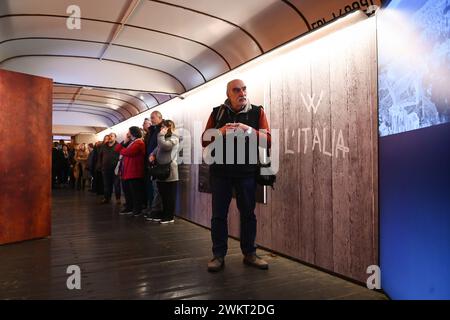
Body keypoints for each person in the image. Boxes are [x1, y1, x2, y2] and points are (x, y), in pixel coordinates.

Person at [201, 79, 272, 272]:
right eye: (236, 90)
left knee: (248, 214)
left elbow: (268, 140)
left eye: (244, 89)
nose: (242, 93)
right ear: (228, 94)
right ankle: (218, 255)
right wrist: (221, 131)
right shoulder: (217, 112)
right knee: (218, 215)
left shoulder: (257, 111)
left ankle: (250, 253)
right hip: (221, 173)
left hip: (246, 172)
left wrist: (248, 130)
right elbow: (204, 140)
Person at [149, 120, 179, 224]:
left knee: (169, 196)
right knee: (163, 194)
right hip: (161, 170)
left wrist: (160, 135)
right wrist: (152, 155)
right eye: (161, 127)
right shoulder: (163, 137)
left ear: (169, 127)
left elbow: (165, 146)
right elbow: (157, 149)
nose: (161, 129)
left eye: (163, 127)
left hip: (170, 171)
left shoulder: (174, 137)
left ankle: (169, 216)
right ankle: (164, 214)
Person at [115, 126, 145, 216]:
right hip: (127, 171)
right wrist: (125, 141)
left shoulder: (139, 142)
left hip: (135, 171)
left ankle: (137, 209)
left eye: (128, 132)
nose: (127, 134)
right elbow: (117, 149)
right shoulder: (131, 142)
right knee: (128, 192)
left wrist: (122, 150)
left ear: (133, 133)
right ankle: (129, 207)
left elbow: (129, 152)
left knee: (135, 193)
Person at [144, 111, 164, 221]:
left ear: (160, 117)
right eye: (151, 117)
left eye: (153, 117)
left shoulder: (162, 129)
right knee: (153, 187)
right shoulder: (153, 129)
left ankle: (157, 211)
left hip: (158, 161)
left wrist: (154, 155)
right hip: (151, 161)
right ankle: (153, 208)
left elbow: (161, 144)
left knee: (157, 188)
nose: (151, 119)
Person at [101, 133, 121, 204]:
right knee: (106, 185)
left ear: (115, 137)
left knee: (116, 185)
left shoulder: (118, 146)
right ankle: (107, 198)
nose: (110, 137)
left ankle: (118, 199)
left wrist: (120, 168)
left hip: (115, 169)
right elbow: (100, 156)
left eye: (112, 136)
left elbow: (121, 157)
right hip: (105, 169)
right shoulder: (104, 146)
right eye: (109, 136)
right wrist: (101, 166)